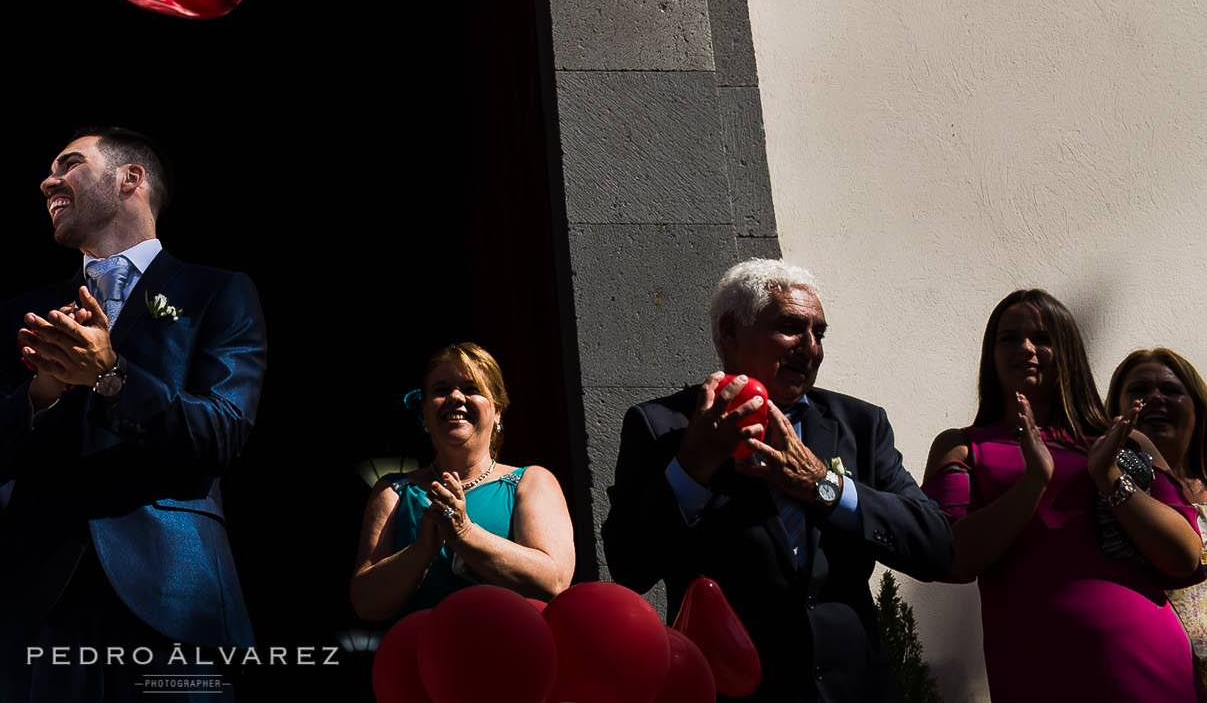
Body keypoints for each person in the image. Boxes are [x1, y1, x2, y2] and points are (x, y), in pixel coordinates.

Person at [0, 127, 266, 702]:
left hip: (174, 593)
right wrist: (40, 394)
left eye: (70, 164)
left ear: (130, 179)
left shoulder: (216, 292)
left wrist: (112, 376)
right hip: (38, 599)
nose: (49, 180)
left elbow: (223, 433)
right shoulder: (20, 312)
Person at [603, 259, 951, 703]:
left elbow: (937, 547)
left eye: (819, 333)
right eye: (790, 327)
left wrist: (825, 486)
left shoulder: (859, 425)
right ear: (730, 332)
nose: (810, 348)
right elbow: (628, 565)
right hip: (735, 691)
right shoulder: (664, 428)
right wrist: (693, 466)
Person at [922, 290, 1204, 701]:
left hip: (1145, 662)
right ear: (991, 352)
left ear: (1067, 350)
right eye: (1009, 338)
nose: (1026, 348)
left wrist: (1108, 476)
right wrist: (1034, 482)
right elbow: (951, 558)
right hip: (1036, 668)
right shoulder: (961, 447)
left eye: (1042, 337)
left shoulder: (1124, 441)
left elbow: (1185, 557)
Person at [350, 341, 574, 620]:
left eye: (471, 389)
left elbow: (553, 583)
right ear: (424, 415)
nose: (456, 398)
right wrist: (422, 551)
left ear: (498, 412)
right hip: (418, 656)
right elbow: (366, 603)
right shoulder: (393, 491)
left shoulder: (532, 482)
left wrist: (464, 533)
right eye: (441, 390)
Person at [1110, 347, 1207, 697]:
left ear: (1197, 408)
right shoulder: (1107, 496)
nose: (1154, 399)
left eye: (1171, 391)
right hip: (1152, 681)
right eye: (1138, 392)